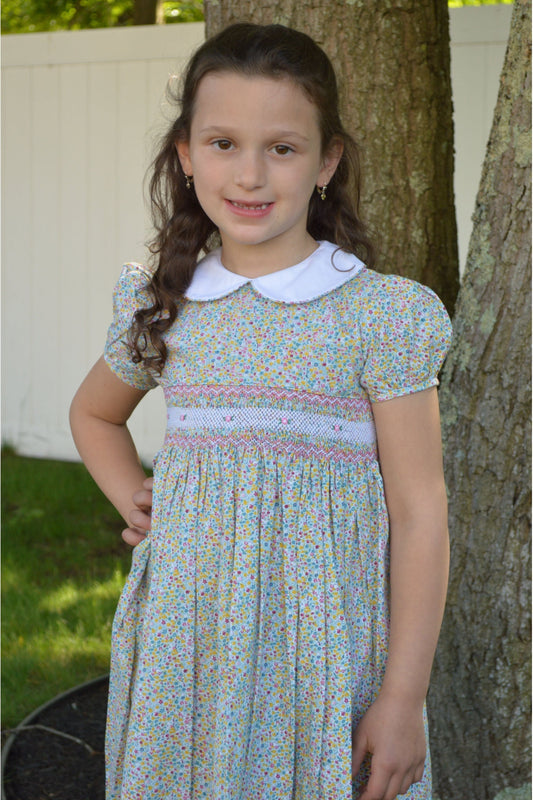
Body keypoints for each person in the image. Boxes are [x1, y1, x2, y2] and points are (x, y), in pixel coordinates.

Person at [70, 22, 452, 800]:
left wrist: (402, 700)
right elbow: (94, 416)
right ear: (184, 155)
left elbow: (420, 512)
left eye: (281, 147)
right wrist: (140, 503)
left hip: (322, 655)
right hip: (190, 648)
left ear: (327, 161)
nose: (248, 174)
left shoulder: (375, 315)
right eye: (221, 144)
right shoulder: (166, 306)